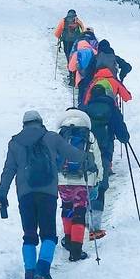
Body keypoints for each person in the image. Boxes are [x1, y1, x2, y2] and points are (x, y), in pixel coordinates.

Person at [0, 110, 88, 279]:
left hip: (25, 194)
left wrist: (2, 194)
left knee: (29, 235)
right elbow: (73, 153)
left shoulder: (15, 143)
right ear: (40, 122)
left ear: (24, 124)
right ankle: (43, 271)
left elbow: (8, 170)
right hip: (48, 193)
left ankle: (29, 277)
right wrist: (86, 159)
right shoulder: (51, 137)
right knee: (48, 235)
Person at [84, 85, 130, 240]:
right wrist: (125, 138)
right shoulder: (111, 108)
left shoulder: (85, 108)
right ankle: (95, 225)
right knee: (101, 185)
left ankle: (83, 221)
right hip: (104, 151)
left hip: (88, 152)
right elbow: (121, 131)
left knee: (87, 184)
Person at [57, 109, 103, 261]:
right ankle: (76, 251)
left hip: (63, 180)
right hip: (84, 180)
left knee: (67, 207)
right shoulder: (88, 135)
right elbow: (97, 159)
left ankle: (68, 240)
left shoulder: (60, 135)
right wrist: (99, 178)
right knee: (80, 210)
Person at [54, 9, 85, 85]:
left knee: (69, 58)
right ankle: (75, 76)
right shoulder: (78, 21)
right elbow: (83, 31)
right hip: (76, 43)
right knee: (75, 58)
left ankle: (71, 76)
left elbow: (56, 33)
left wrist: (60, 36)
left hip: (66, 42)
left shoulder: (63, 21)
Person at [68, 29, 98, 106]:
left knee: (81, 94)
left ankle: (81, 107)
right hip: (92, 77)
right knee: (90, 93)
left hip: (80, 78)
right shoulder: (94, 51)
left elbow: (71, 68)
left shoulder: (77, 53)